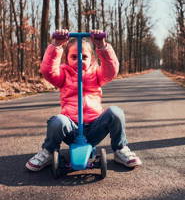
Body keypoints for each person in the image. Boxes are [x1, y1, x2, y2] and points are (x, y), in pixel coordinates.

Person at [25, 29, 142, 171]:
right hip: (72, 129)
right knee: (57, 121)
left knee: (115, 112)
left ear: (92, 59)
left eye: (84, 56)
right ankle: (48, 152)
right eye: (74, 57)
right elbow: (48, 71)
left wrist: (102, 46)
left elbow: (111, 70)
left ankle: (120, 149)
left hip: (94, 128)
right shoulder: (63, 74)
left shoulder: (97, 73)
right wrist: (56, 45)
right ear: (67, 59)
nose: (79, 59)